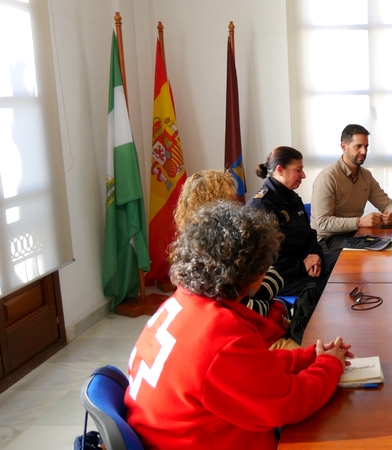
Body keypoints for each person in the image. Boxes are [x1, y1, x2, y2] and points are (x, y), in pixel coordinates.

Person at [126, 200, 353, 449]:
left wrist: (309, 357)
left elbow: (249, 369)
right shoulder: (221, 335)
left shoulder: (179, 302)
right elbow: (288, 404)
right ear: (251, 272)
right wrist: (330, 365)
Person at [175, 170, 293, 348]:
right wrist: (263, 300)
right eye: (230, 200)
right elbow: (246, 308)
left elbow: (275, 278)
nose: (237, 206)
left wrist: (256, 295)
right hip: (243, 335)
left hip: (254, 322)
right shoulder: (212, 253)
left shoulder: (189, 247)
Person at [248, 146, 335, 296]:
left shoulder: (293, 198)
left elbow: (308, 234)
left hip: (304, 262)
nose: (303, 175)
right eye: (298, 170)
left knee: (344, 264)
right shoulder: (261, 206)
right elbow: (267, 258)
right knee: (333, 287)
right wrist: (302, 266)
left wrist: (314, 255)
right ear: (280, 170)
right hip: (282, 276)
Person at [311, 124, 392, 251]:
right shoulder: (327, 177)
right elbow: (323, 222)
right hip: (327, 242)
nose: (364, 152)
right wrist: (359, 222)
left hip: (354, 234)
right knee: (372, 257)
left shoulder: (366, 175)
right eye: (358, 146)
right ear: (344, 146)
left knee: (388, 248)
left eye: (366, 146)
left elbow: (388, 204)